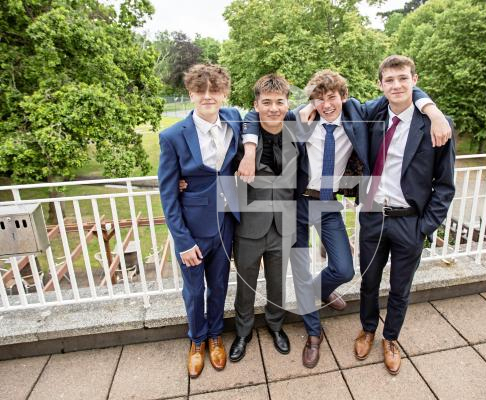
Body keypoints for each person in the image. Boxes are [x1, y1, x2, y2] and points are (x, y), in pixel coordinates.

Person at [240, 69, 451, 368]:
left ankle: (320, 289)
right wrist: (249, 150)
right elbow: (252, 115)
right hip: (298, 204)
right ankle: (314, 334)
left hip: (328, 205)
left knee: (344, 268)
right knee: (301, 270)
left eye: (332, 97)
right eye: (319, 98)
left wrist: (433, 110)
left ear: (343, 97)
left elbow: (401, 92)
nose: (327, 105)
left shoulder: (357, 114)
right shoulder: (298, 118)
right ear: (312, 100)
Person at [354, 55, 455, 375]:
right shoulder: (373, 114)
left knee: (400, 287)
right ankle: (368, 328)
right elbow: (342, 103)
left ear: (415, 79)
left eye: (402, 78)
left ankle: (391, 338)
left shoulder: (436, 125)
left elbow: (446, 185)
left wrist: (424, 227)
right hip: (372, 213)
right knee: (368, 282)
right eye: (389, 80)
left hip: (410, 221)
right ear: (380, 84)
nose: (396, 85)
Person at [157, 64, 241, 378]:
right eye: (201, 91)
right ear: (191, 93)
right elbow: (168, 194)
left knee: (219, 285)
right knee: (193, 291)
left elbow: (263, 124)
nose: (208, 96)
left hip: (226, 223)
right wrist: (183, 240)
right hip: (193, 229)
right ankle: (196, 341)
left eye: (214, 90)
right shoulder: (172, 136)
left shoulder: (233, 118)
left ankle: (216, 335)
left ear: (223, 93)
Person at [228, 74, 300, 362]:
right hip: (248, 225)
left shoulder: (297, 129)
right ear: (256, 105)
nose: (273, 108)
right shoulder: (241, 138)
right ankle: (243, 332)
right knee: (246, 283)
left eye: (279, 102)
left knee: (277, 282)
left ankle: (276, 325)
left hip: (283, 223)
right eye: (266, 102)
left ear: (287, 104)